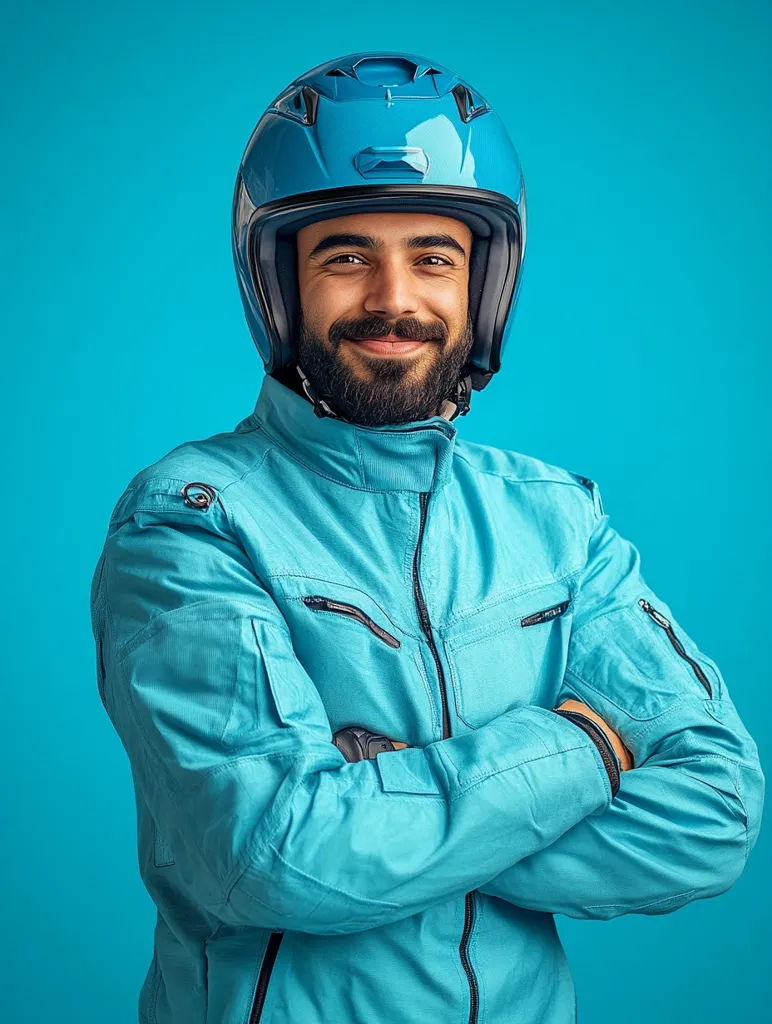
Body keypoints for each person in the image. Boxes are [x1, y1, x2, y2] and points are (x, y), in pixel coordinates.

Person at [90, 51, 764, 1024]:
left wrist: (392, 799)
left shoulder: (555, 519)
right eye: (346, 255)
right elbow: (276, 853)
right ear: (278, 281)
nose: (392, 297)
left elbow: (716, 813)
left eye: (433, 257)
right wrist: (585, 746)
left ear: (483, 284)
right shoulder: (191, 520)